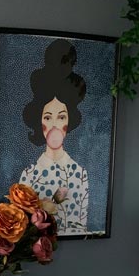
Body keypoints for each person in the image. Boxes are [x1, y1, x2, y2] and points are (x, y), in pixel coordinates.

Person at [18, 39, 89, 234]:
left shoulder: (80, 175)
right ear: (39, 121)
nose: (55, 125)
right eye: (48, 117)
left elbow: (81, 227)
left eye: (62, 116)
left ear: (69, 121)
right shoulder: (29, 175)